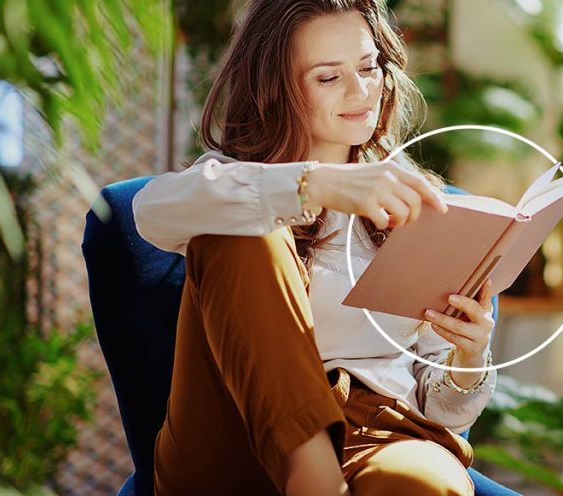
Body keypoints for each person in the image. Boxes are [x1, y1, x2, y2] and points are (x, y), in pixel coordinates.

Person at [132, 1, 499, 494]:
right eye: (329, 78)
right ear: (278, 88)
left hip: (378, 434)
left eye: (369, 68)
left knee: (426, 484)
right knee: (240, 225)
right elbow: (149, 211)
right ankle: (312, 474)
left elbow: (442, 416)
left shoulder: (418, 205)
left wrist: (468, 357)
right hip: (232, 434)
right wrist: (314, 185)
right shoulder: (232, 182)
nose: (361, 91)